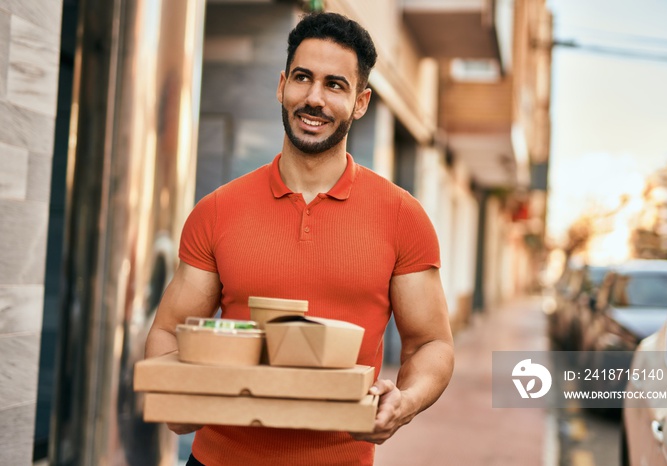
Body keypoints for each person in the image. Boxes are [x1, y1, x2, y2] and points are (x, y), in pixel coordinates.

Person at [145, 11, 454, 466]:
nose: (314, 99)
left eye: (335, 85)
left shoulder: (402, 217)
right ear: (281, 85)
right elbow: (169, 329)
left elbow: (432, 343)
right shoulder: (217, 211)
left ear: (361, 101)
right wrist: (178, 396)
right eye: (303, 78)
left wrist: (405, 402)